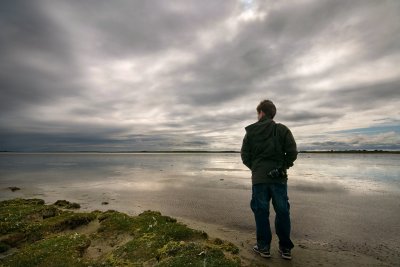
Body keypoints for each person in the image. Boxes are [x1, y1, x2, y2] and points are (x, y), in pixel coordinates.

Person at [241, 99, 297, 260]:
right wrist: (283, 167)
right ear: (272, 114)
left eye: (258, 113)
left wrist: (256, 169)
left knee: (261, 212)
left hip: (259, 179)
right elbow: (292, 152)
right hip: (279, 178)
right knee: (282, 212)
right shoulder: (282, 129)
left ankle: (264, 247)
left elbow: (245, 156)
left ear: (261, 113)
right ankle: (285, 248)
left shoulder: (251, 132)